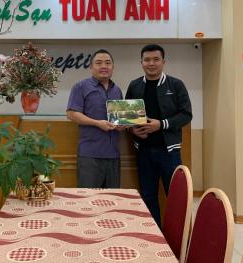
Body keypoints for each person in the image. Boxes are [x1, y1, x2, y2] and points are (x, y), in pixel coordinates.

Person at [125, 44, 192, 227]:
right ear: (141, 63)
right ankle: (154, 235)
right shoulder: (135, 86)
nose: (151, 63)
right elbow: (126, 119)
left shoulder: (176, 85)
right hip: (144, 152)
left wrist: (161, 125)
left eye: (156, 59)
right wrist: (132, 130)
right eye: (147, 60)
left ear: (163, 62)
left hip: (169, 152)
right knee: (147, 196)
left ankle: (177, 238)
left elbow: (186, 115)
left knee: (175, 197)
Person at [66, 49, 125, 188]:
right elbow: (71, 113)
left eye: (108, 63)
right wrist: (97, 123)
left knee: (112, 201)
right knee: (88, 201)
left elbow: (119, 119)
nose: (104, 66)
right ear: (91, 67)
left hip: (113, 155)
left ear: (113, 67)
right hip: (90, 156)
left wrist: (123, 125)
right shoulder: (80, 87)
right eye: (98, 63)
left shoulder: (117, 90)